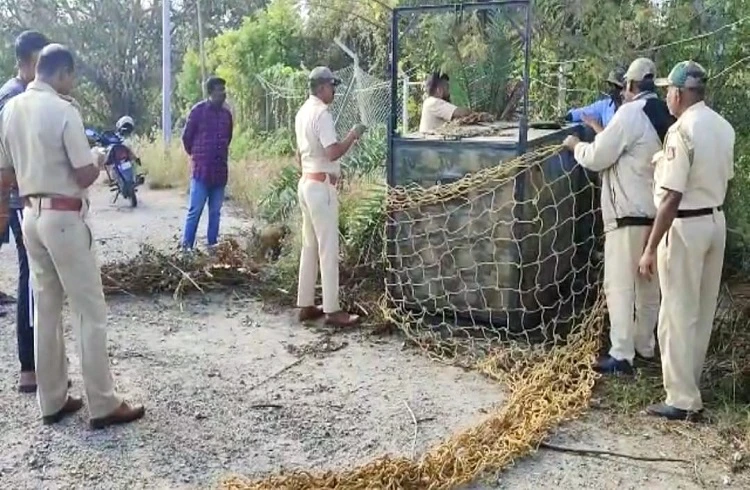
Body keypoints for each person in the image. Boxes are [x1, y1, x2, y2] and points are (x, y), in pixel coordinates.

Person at [0, 44, 145, 428]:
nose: (72, 84)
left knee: (46, 310)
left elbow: (4, 173)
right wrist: (99, 157)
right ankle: (103, 403)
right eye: (72, 77)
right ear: (62, 73)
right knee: (89, 312)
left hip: (30, 217)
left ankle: (51, 400)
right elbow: (83, 174)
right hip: (64, 219)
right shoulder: (64, 110)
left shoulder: (10, 109)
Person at [562, 58, 673, 375]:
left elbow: (598, 157)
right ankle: (645, 347)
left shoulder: (631, 113)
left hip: (628, 214)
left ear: (630, 85)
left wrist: (576, 145)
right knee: (649, 287)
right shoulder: (664, 114)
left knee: (620, 286)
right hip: (657, 214)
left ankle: (622, 355)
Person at [638, 61, 735, 421]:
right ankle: (689, 386)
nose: (666, 97)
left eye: (668, 91)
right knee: (701, 311)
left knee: (676, 312)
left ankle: (680, 398)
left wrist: (650, 248)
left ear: (679, 94)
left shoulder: (682, 131)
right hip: (715, 221)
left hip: (685, 226)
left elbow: (672, 197)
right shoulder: (723, 127)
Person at [294, 66, 364, 327]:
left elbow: (298, 155)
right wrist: (353, 136)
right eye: (332, 86)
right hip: (321, 186)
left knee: (310, 246)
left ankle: (306, 303)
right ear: (322, 87)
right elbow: (332, 152)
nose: (334, 91)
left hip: (306, 183)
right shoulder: (322, 114)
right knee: (328, 247)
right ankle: (333, 310)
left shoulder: (303, 112)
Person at [0, 30, 49, 393]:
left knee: (34, 277)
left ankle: (37, 364)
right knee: (30, 278)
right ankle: (29, 368)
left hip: (27, 198)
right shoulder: (13, 98)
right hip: (20, 200)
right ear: (32, 61)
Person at [181, 76, 233, 251]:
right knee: (195, 211)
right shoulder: (198, 111)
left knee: (215, 213)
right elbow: (186, 138)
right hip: (201, 172)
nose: (223, 93)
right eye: (219, 90)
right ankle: (186, 247)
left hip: (220, 172)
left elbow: (228, 139)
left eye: (224, 90)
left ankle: (212, 247)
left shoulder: (227, 115)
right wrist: (198, 156)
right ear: (211, 92)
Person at [564, 67, 626, 133]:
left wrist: (594, 124)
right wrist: (569, 116)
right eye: (609, 85)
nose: (610, 88)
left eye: (614, 86)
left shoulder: (631, 108)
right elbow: (585, 111)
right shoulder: (606, 105)